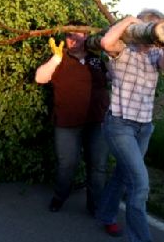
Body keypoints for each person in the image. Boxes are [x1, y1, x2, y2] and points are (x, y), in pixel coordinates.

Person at [96, 9, 164, 242]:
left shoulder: (155, 54)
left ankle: (106, 215)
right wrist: (131, 21)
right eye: (149, 27)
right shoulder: (122, 49)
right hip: (119, 125)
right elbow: (105, 42)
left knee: (123, 174)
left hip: (144, 126)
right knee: (139, 183)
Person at [35, 28, 110, 215]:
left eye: (80, 34)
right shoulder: (60, 58)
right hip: (67, 122)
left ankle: (95, 205)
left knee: (98, 166)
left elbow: (115, 79)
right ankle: (59, 197)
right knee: (67, 164)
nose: (74, 38)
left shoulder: (97, 59)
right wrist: (56, 59)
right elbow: (40, 78)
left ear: (88, 37)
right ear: (65, 39)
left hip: (97, 121)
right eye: (70, 35)